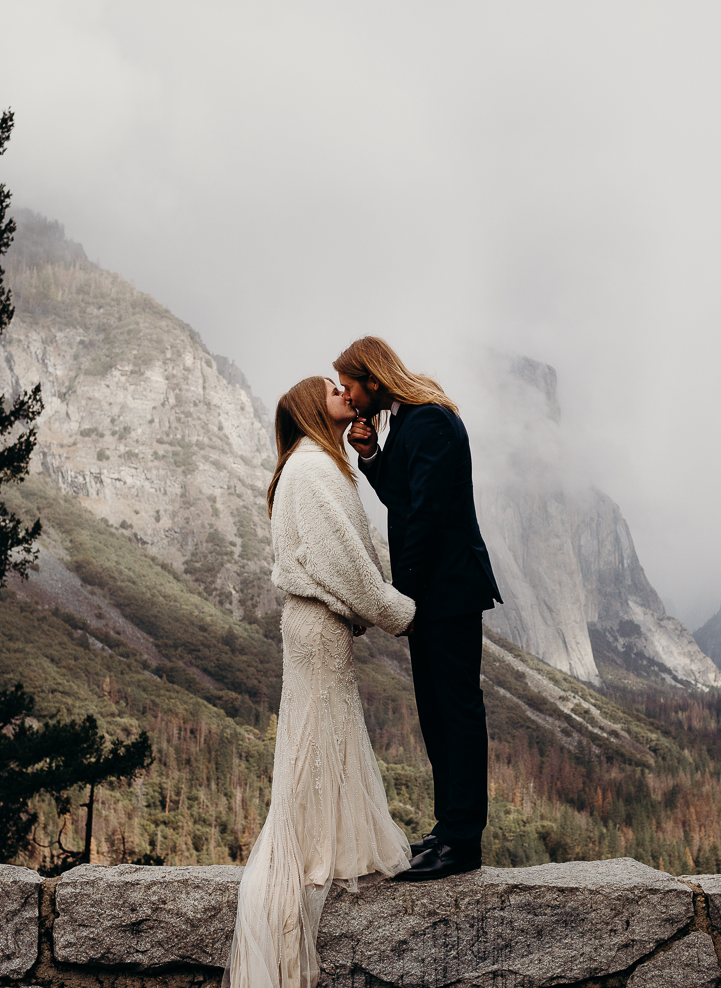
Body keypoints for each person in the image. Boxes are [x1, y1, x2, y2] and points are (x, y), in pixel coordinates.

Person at [223, 376, 416, 988]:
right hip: (315, 627)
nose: (345, 393)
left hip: (318, 627)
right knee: (314, 735)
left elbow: (349, 557)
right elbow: (344, 563)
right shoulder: (310, 469)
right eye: (334, 390)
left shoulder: (317, 465)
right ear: (313, 407)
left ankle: (326, 846)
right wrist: (398, 612)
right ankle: (295, 884)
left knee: (325, 730)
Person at [333, 336, 502, 882]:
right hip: (435, 592)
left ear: (374, 382)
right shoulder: (407, 421)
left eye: (352, 387)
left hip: (447, 591)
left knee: (456, 710)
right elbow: (405, 498)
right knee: (436, 710)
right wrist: (372, 458)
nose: (350, 398)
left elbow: (425, 517)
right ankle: (449, 828)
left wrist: (397, 597)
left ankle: (463, 842)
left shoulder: (428, 420)